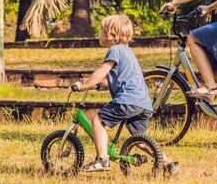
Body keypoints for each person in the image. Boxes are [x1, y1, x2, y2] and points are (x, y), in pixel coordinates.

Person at [71, 14, 178, 175]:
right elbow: (119, 79)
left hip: (127, 100)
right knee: (141, 139)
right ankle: (167, 163)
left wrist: (84, 85)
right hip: (142, 103)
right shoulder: (127, 52)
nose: (98, 33)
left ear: (111, 35)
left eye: (101, 30)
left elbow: (102, 71)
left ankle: (102, 159)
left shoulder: (114, 50)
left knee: (98, 121)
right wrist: (100, 85)